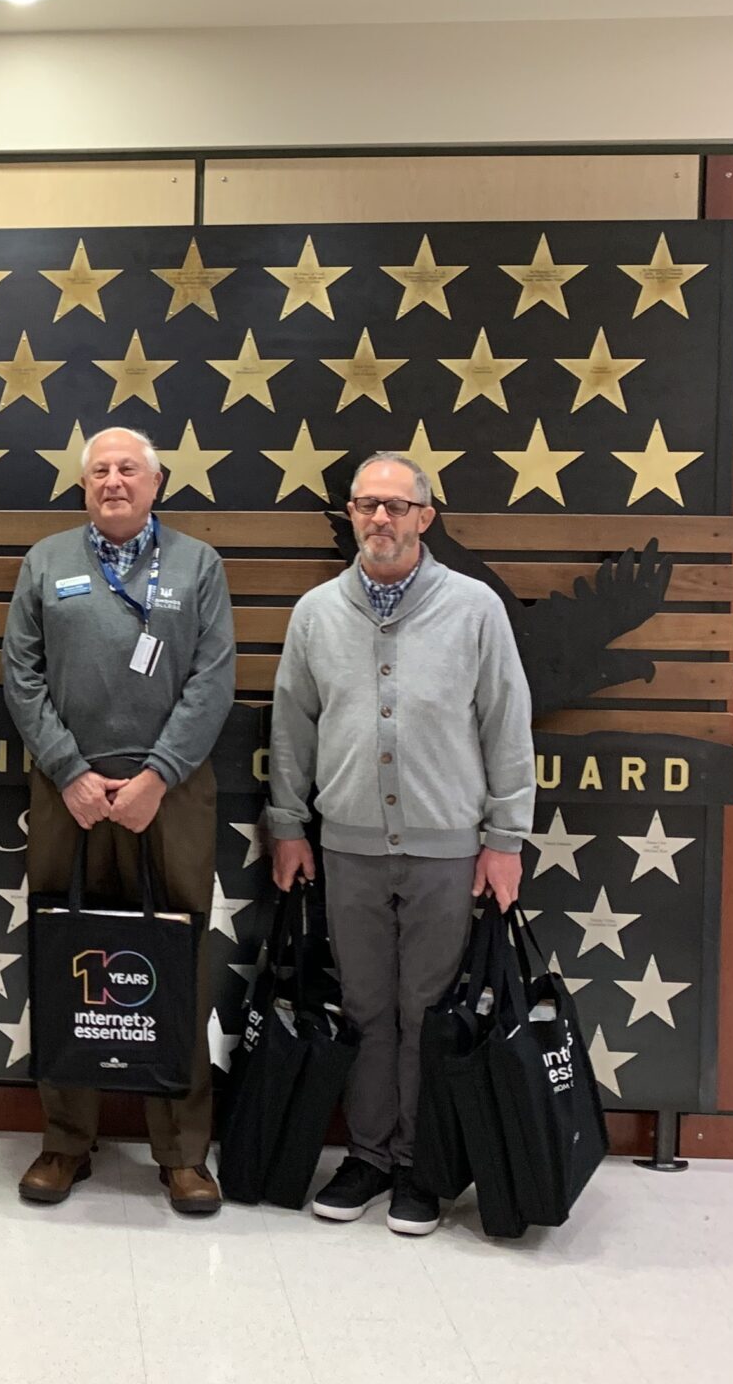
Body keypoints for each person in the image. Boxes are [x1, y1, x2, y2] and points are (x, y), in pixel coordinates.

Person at [267, 452, 535, 1237]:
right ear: (349, 516)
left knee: (428, 1011)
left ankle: (421, 1165)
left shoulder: (475, 608)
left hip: (448, 849)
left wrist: (505, 838)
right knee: (362, 1006)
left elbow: (506, 726)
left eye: (394, 505)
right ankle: (370, 1156)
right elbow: (292, 727)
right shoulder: (317, 612)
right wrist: (288, 824)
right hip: (346, 846)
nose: (378, 519)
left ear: (425, 515)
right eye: (364, 505)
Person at [3, 425, 237, 1216]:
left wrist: (157, 776)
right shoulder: (46, 562)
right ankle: (66, 1141)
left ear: (157, 481)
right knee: (70, 954)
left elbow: (212, 680)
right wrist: (69, 770)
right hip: (67, 794)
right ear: (83, 485)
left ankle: (181, 1153)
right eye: (99, 470)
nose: (113, 481)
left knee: (175, 963)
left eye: (127, 468)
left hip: (168, 797)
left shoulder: (199, 566)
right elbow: (20, 676)